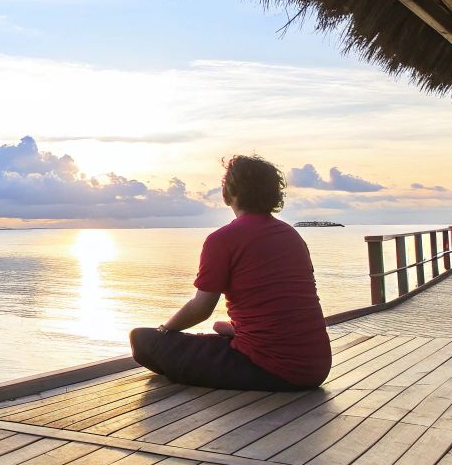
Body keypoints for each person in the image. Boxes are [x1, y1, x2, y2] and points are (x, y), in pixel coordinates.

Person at [129, 155, 331, 390]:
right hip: (316, 368)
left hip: (272, 369)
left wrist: (163, 331)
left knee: (142, 340)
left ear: (226, 194)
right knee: (220, 327)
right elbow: (284, 302)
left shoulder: (222, 240)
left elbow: (200, 309)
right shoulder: (292, 236)